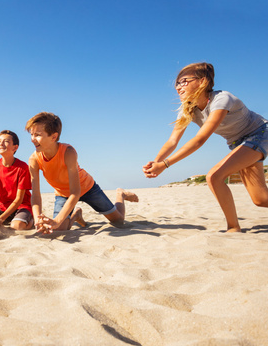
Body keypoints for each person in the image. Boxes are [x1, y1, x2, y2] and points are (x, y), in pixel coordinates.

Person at [143, 62, 268, 233]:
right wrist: (156, 162)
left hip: (260, 133)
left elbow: (200, 139)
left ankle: (233, 228)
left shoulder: (222, 99)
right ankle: (234, 227)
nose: (179, 87)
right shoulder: (188, 109)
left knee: (214, 176)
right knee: (261, 199)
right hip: (238, 143)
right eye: (177, 83)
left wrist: (165, 165)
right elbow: (172, 141)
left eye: (184, 81)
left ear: (202, 81)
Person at [26, 112, 138, 234]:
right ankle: (76, 216)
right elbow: (35, 194)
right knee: (59, 229)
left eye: (37, 135)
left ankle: (120, 193)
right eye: (31, 134)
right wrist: (38, 219)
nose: (32, 139)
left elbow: (75, 192)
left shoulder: (68, 152)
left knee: (119, 221)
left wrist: (57, 220)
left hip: (87, 188)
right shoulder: (34, 159)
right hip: (63, 193)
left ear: (53, 137)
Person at [0, 130, 34, 230]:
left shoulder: (23, 167)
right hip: (4, 207)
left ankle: (31, 220)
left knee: (16, 226)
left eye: (6, 141)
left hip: (22, 206)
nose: (1, 144)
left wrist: (1, 219)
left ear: (15, 147)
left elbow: (19, 199)